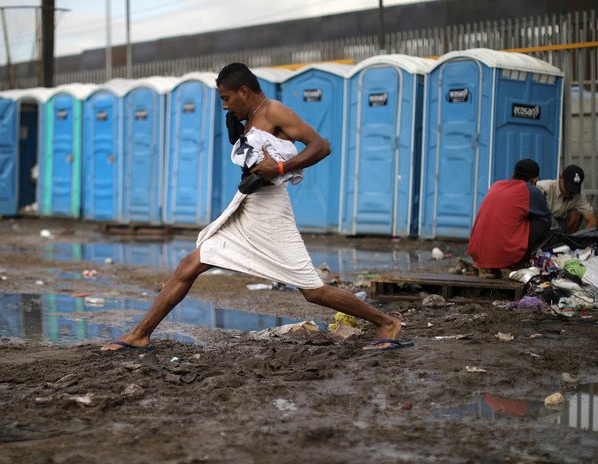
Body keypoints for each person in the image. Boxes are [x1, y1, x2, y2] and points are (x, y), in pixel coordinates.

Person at [101, 63, 406, 352]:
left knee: (312, 291)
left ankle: (387, 323)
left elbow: (320, 146)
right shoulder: (252, 117)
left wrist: (283, 166)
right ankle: (141, 334)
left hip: (271, 210)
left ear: (244, 91)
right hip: (250, 203)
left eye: (226, 98)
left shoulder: (274, 110)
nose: (224, 105)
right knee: (189, 264)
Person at [467, 159, 552, 278]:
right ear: (535, 179)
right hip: (506, 252)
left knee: (507, 220)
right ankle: (520, 263)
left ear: (513, 175)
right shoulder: (531, 190)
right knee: (544, 222)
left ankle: (492, 268)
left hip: (478, 252)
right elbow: (547, 217)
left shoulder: (496, 185)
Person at [536, 164, 598, 233]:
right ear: (560, 178)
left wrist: (586, 238)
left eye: (573, 189)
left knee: (577, 212)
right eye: (568, 187)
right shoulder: (542, 188)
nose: (570, 192)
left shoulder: (578, 195)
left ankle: (567, 240)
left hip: (561, 224)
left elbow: (591, 220)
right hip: (541, 224)